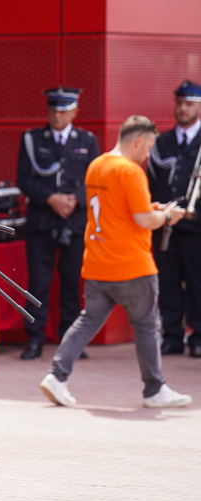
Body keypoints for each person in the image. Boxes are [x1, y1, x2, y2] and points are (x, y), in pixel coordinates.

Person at [39, 115, 192, 409]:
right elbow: (143, 219)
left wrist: (153, 207)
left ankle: (57, 375)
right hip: (132, 265)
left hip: (97, 262)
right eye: (147, 148)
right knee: (147, 326)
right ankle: (154, 389)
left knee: (86, 321)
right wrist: (166, 216)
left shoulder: (98, 165)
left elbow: (119, 209)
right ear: (138, 141)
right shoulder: (131, 171)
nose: (148, 156)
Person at [17, 87, 100, 360]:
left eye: (63, 110)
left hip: (74, 222)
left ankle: (70, 341)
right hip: (42, 220)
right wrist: (51, 198)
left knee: (71, 283)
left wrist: (74, 200)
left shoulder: (87, 141)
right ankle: (35, 339)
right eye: (53, 109)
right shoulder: (31, 139)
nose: (57, 115)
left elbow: (94, 180)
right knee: (37, 283)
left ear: (75, 112)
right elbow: (24, 179)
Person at [147, 80, 201, 358]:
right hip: (166, 225)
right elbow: (152, 182)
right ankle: (172, 336)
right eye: (179, 103)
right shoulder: (161, 142)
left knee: (197, 281)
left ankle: (198, 336)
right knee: (167, 281)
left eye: (189, 104)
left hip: (196, 227)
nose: (182, 108)